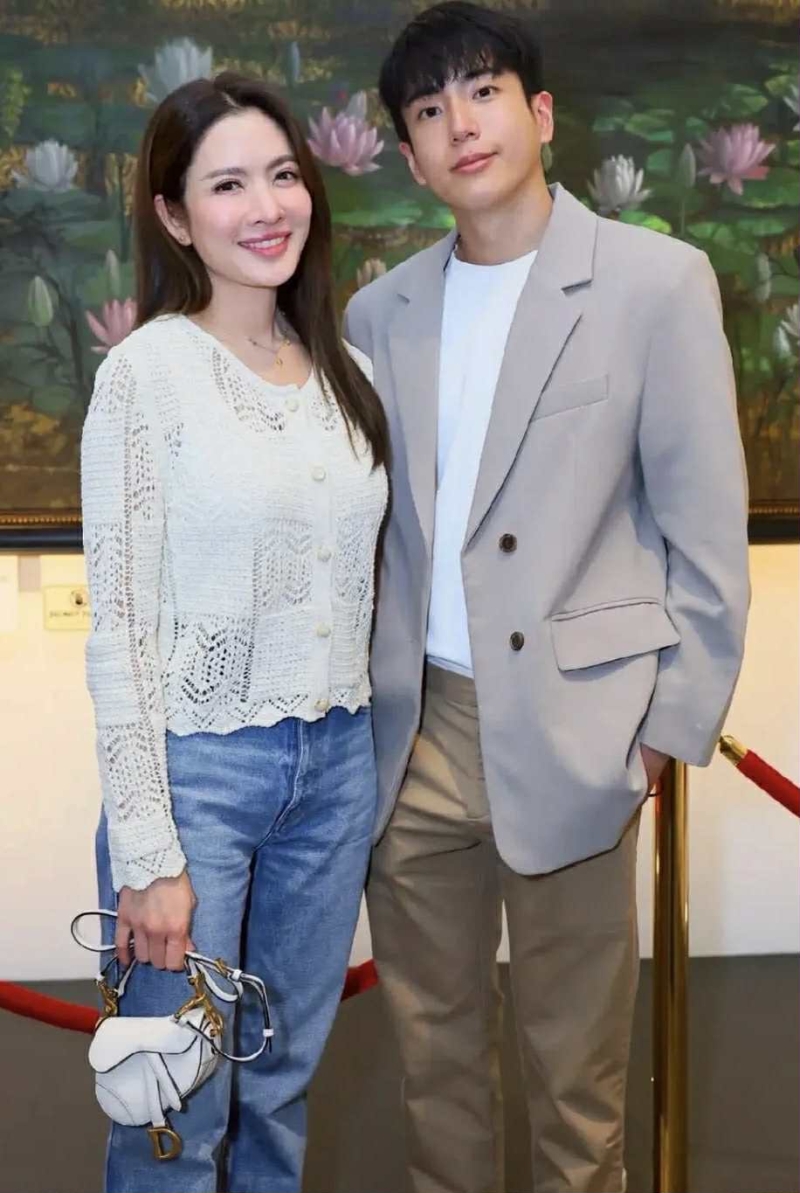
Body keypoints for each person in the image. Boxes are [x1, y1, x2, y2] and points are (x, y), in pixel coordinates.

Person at [344, 4, 750, 1191]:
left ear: (540, 113)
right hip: (414, 732)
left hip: (579, 728)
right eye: (429, 110)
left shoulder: (655, 283)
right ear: (409, 157)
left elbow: (703, 533)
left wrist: (664, 727)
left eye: (482, 92)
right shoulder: (377, 312)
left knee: (578, 1091)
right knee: (435, 1076)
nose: (460, 124)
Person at [81, 72, 388, 1193]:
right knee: (175, 1100)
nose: (266, 206)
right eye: (226, 185)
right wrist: (148, 853)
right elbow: (117, 630)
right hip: (197, 774)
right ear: (174, 215)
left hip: (336, 766)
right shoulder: (146, 376)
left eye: (282, 174)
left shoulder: (348, 373)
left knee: (281, 1085)